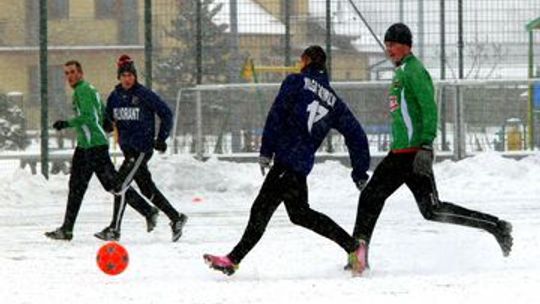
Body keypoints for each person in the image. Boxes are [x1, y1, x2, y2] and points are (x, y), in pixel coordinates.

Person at [350, 23, 513, 274]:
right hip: (402, 151)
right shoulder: (402, 70)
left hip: (411, 154)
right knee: (431, 209)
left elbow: (429, 108)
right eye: (387, 45)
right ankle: (496, 226)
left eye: (393, 44)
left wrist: (426, 144)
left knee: (372, 197)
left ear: (406, 45)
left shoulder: (414, 71)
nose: (389, 50)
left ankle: (359, 257)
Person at [203, 45, 371, 276]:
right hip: (300, 164)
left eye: (301, 60)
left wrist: (266, 149)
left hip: (287, 159)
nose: (299, 63)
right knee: (300, 214)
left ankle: (232, 259)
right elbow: (357, 135)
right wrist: (360, 171)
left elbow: (277, 114)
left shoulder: (296, 81)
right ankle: (353, 246)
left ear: (307, 60)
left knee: (261, 210)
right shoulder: (334, 102)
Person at [45, 60, 158, 241]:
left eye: (73, 72)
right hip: (84, 146)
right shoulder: (88, 89)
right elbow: (101, 110)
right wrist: (106, 121)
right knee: (76, 186)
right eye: (66, 73)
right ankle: (67, 228)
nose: (69, 76)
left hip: (95, 146)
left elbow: (88, 117)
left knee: (113, 184)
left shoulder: (83, 90)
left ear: (80, 73)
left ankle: (148, 211)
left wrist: (67, 123)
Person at [94, 55, 188, 242]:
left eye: (130, 75)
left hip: (141, 149)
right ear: (119, 77)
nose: (127, 79)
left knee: (119, 186)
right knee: (146, 189)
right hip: (128, 150)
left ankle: (114, 229)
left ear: (135, 76)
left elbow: (166, 114)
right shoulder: (115, 96)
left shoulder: (144, 94)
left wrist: (161, 138)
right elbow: (109, 117)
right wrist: (106, 124)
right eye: (124, 75)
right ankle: (176, 218)